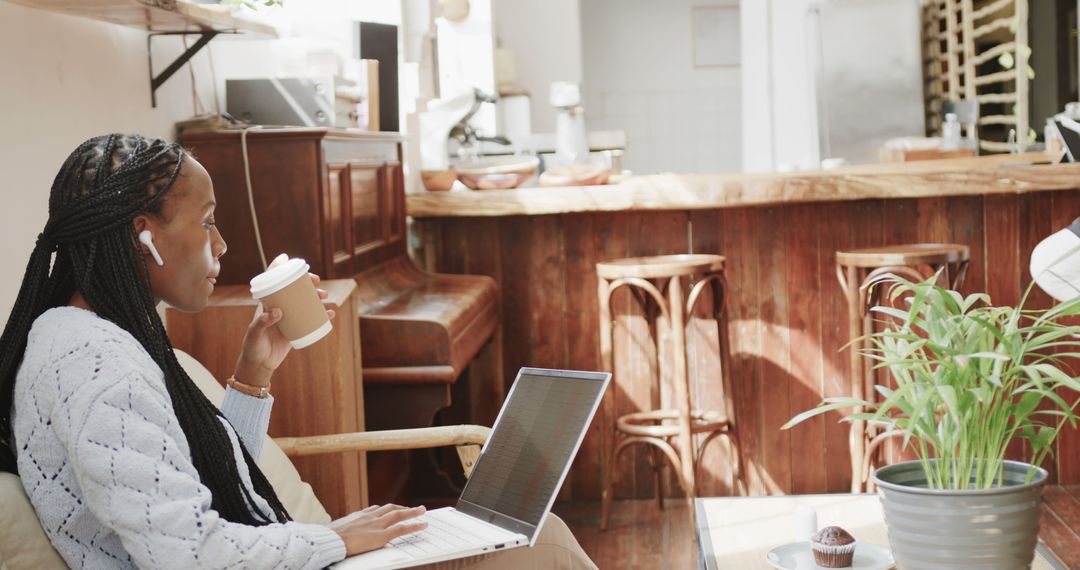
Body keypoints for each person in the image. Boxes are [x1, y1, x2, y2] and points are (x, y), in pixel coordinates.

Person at [0, 134, 595, 569]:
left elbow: (200, 479)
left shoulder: (80, 335)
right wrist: (339, 539)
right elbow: (187, 555)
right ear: (144, 239)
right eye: (206, 222)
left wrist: (254, 370)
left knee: (537, 539)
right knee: (541, 551)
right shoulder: (101, 371)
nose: (222, 243)